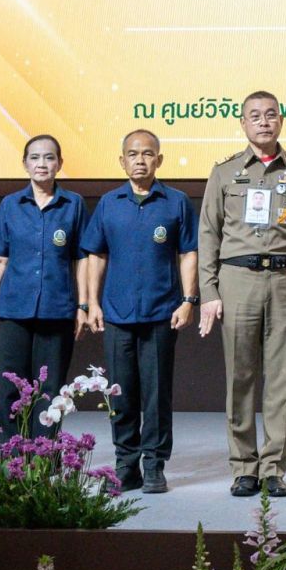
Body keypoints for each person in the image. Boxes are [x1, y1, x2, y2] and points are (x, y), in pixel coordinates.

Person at [198, 91, 286, 499]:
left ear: (281, 121)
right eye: (255, 116)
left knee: (280, 379)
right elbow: (208, 234)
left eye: (271, 115)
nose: (264, 122)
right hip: (238, 280)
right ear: (243, 123)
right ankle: (243, 467)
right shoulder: (224, 172)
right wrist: (208, 290)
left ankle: (273, 468)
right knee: (240, 377)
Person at [80, 129, 199, 494]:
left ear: (158, 160)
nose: (140, 160)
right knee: (120, 393)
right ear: (122, 161)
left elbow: (188, 253)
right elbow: (95, 254)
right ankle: (126, 464)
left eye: (148, 154)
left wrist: (188, 300)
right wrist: (92, 303)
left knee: (156, 394)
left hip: (161, 312)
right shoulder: (109, 203)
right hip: (117, 314)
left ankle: (154, 465)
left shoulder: (176, 202)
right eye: (133, 154)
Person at [0, 134, 87, 438]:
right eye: (35, 157)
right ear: (25, 163)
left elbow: (82, 258)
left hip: (57, 309)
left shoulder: (74, 204)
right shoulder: (10, 204)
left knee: (50, 388)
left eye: (49, 157)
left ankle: (44, 456)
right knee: (10, 386)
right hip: (13, 309)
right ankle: (12, 454)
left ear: (60, 163)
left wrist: (82, 305)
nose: (42, 163)